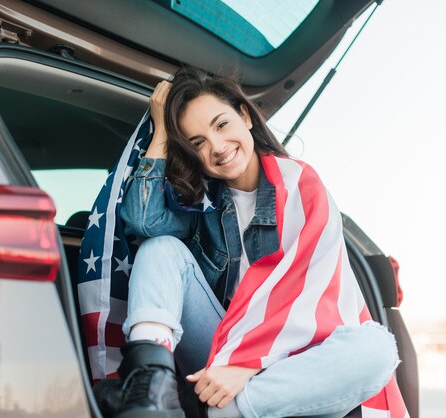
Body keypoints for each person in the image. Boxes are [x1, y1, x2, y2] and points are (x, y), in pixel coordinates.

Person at [109, 67, 400, 418]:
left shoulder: (300, 186)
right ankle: (151, 388)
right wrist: (160, 138)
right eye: (197, 142)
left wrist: (246, 365)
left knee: (376, 348)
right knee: (161, 249)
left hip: (292, 364)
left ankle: (219, 412)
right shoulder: (201, 205)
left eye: (221, 125)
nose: (217, 147)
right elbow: (142, 220)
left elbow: (308, 298)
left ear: (245, 116)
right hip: (220, 353)